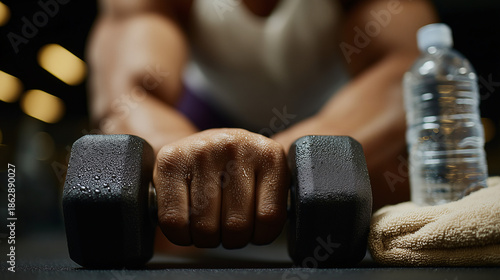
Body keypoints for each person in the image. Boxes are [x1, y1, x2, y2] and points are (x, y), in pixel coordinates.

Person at [86, 0, 437, 250]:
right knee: (169, 228)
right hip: (202, 119)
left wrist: (279, 159)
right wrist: (182, 160)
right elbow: (129, 95)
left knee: (386, 213)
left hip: (333, 117)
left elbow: (405, 70)